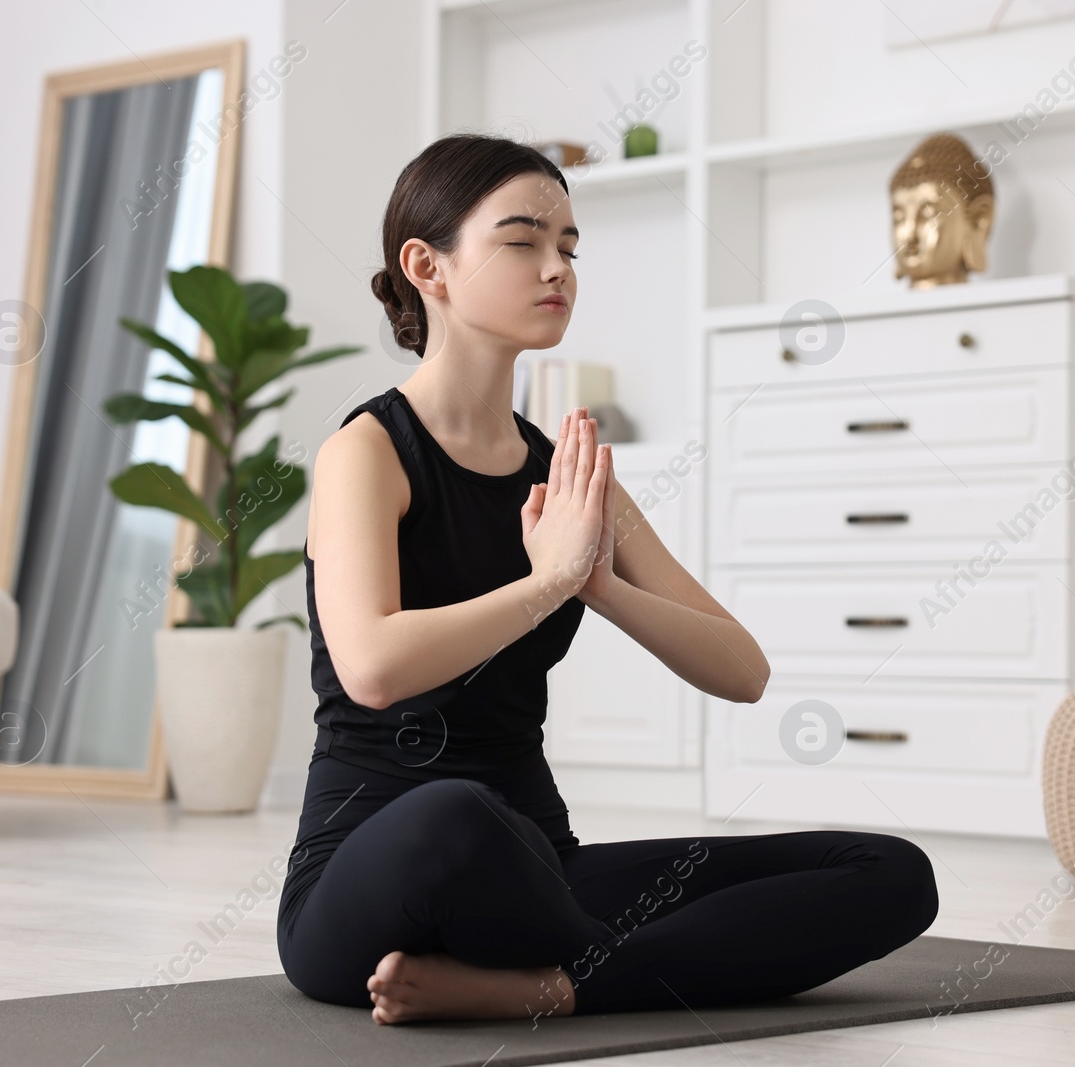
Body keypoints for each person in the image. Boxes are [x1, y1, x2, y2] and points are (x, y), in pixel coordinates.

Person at [276, 133, 939, 1025]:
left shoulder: (573, 474)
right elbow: (374, 667)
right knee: (455, 811)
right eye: (523, 241)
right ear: (426, 265)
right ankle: (638, 962)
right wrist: (545, 585)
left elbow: (743, 671)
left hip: (542, 865)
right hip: (378, 870)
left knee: (890, 870)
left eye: (570, 246)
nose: (557, 267)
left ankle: (556, 984)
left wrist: (598, 583)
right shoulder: (367, 452)